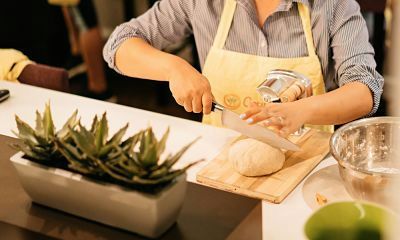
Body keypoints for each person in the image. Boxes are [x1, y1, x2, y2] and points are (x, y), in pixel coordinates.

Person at [103, 0, 383, 136]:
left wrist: (299, 112)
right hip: (218, 158)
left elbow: (365, 90)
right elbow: (118, 45)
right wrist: (173, 67)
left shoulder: (334, 6)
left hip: (306, 166)